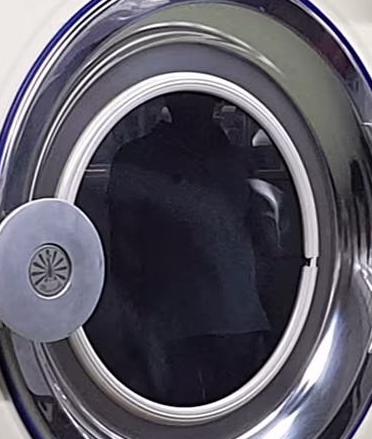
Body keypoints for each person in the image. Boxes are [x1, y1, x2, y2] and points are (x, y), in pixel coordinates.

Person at [96, 93, 283, 406]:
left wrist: (268, 315)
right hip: (175, 325)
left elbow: (262, 241)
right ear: (168, 100)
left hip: (238, 320)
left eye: (201, 99)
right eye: (187, 98)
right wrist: (139, 330)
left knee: (237, 415)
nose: (195, 106)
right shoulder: (138, 159)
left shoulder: (235, 158)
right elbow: (124, 256)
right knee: (183, 416)